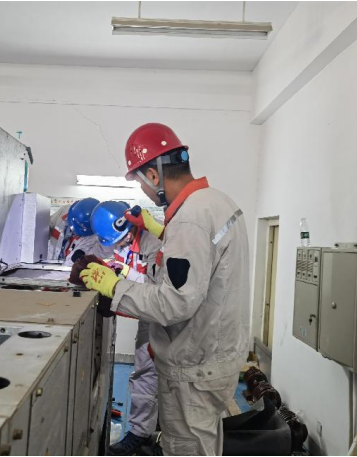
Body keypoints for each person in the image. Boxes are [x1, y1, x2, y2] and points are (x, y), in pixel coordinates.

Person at [79, 123, 250, 456]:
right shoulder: (217, 202)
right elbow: (201, 264)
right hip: (219, 352)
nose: (144, 191)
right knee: (203, 443)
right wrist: (159, 230)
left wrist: (115, 286)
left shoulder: (190, 219)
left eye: (141, 182)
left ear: (153, 176)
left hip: (196, 366)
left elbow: (175, 302)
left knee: (187, 447)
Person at [89, 201, 162, 456]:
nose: (118, 245)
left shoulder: (154, 244)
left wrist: (125, 272)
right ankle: (145, 430)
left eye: (121, 240)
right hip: (148, 315)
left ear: (129, 225)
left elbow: (159, 291)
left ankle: (142, 434)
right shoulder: (120, 242)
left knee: (149, 373)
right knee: (146, 372)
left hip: (165, 316)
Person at [48, 198, 113, 265]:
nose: (73, 229)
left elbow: (103, 251)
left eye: (81, 226)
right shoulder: (64, 211)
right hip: (48, 262)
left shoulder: (95, 238)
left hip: (67, 269)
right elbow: (47, 227)